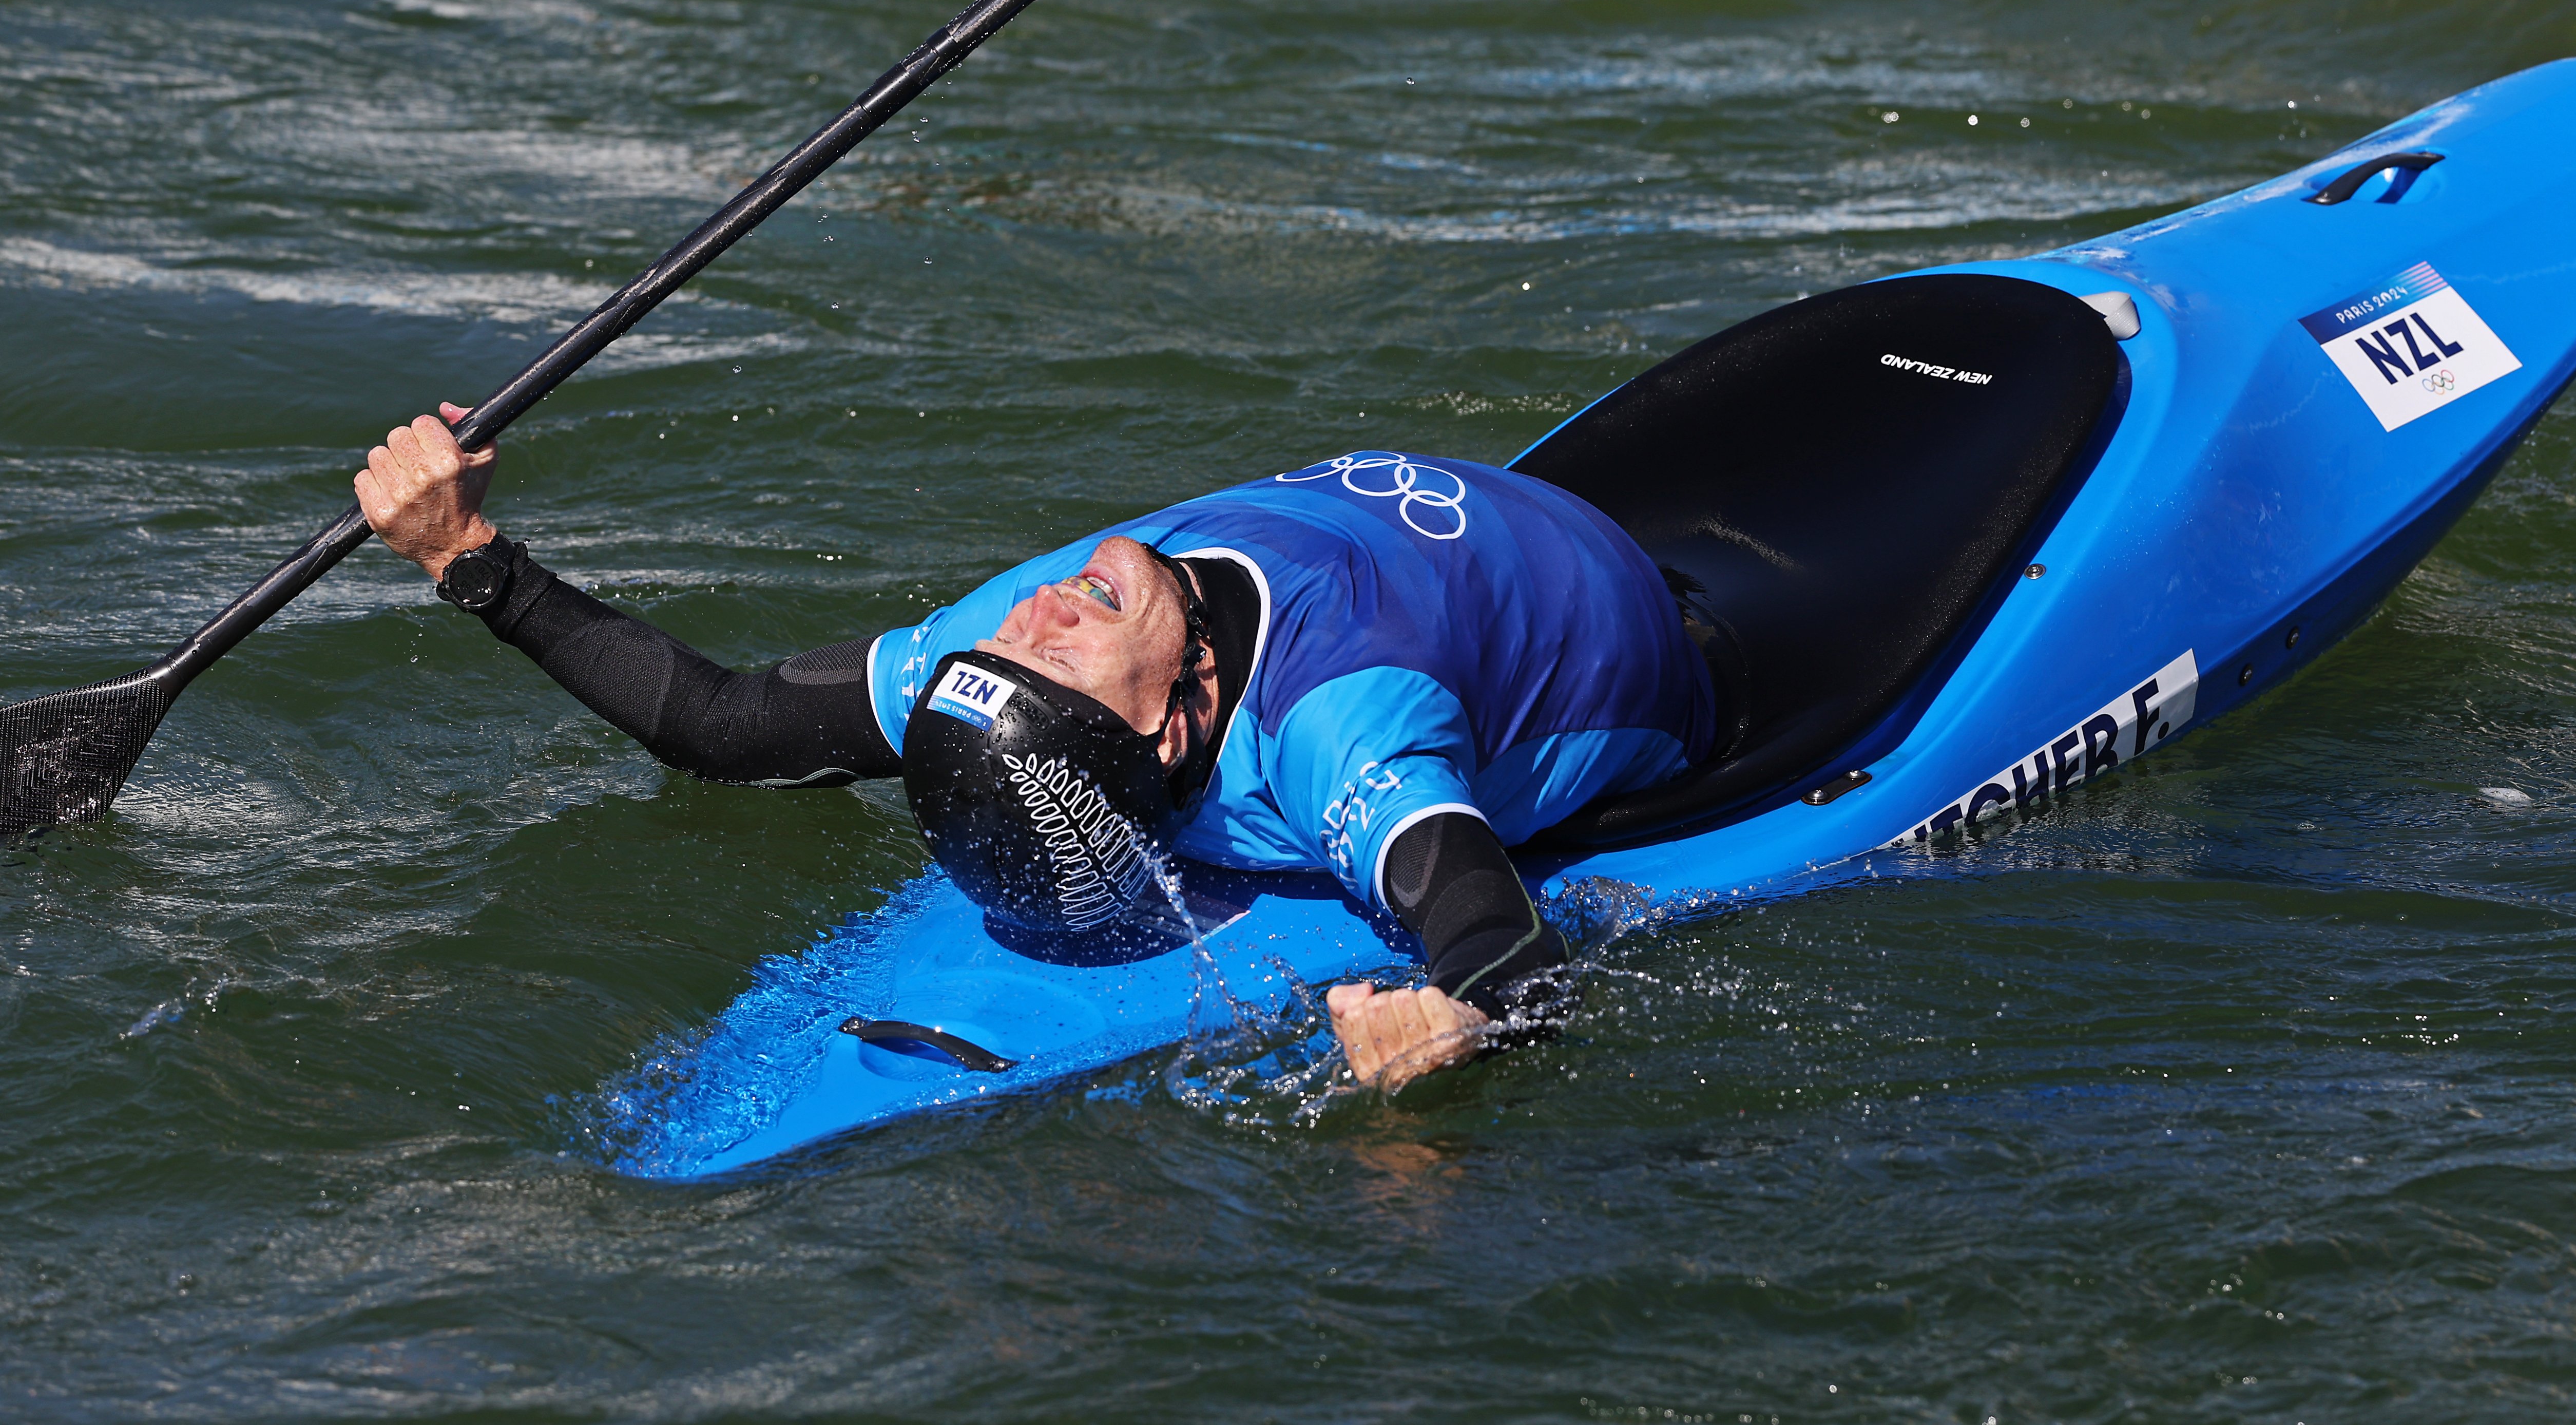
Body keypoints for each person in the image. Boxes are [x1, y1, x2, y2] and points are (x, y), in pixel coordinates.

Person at [354, 404, 1717, 1091]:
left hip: (1617, 616)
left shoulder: (1052, 647)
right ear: (1171, 719)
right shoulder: (1305, 721)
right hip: (1553, 588)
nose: (1038, 605)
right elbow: (1499, 944)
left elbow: (721, 727)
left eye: (1018, 640)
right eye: (1050, 647)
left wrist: (466, 555)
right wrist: (1458, 1023)